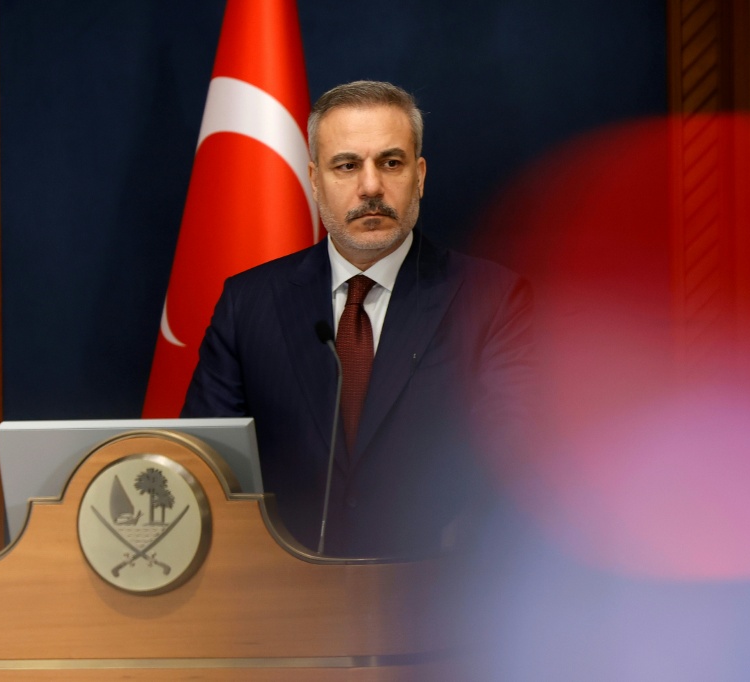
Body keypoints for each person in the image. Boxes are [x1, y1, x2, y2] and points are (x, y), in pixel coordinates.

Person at [181, 80, 533, 558]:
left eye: (391, 163)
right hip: (281, 588)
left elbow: (514, 469)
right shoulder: (248, 303)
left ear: (420, 175)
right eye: (347, 165)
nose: (370, 187)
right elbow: (206, 465)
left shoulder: (493, 300)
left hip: (433, 586)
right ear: (314, 180)